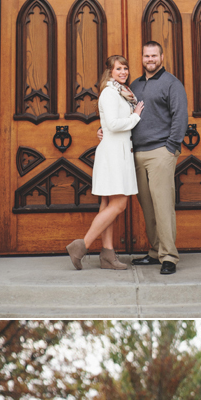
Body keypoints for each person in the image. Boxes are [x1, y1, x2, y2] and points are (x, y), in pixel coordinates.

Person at [66, 55, 143, 270]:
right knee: (119, 204)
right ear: (110, 72)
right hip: (113, 155)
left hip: (118, 152)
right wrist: (136, 116)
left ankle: (107, 255)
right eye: (119, 68)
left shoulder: (123, 93)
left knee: (108, 204)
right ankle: (82, 245)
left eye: (126, 68)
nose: (123, 72)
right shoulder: (109, 93)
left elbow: (107, 125)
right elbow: (113, 123)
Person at [129, 42, 189, 276]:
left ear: (162, 57)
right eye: (146, 55)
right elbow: (125, 117)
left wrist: (171, 148)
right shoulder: (134, 85)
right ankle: (155, 251)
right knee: (147, 206)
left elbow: (180, 116)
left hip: (161, 153)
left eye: (154, 55)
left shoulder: (172, 83)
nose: (150, 59)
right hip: (138, 153)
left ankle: (169, 256)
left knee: (163, 206)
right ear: (142, 58)